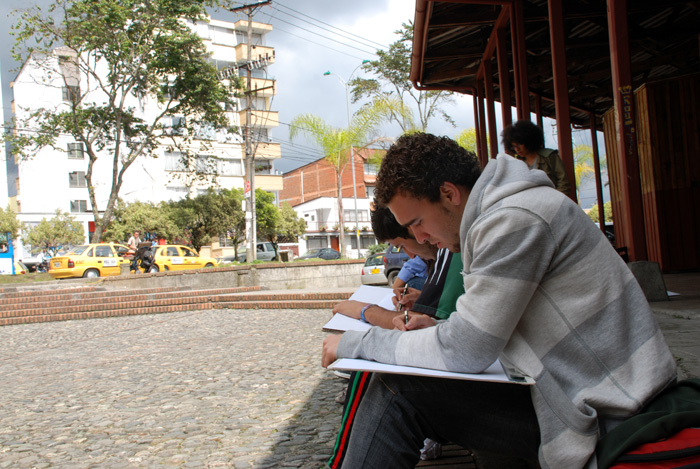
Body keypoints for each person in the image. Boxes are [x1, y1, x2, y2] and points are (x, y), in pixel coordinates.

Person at [321, 133, 676, 468]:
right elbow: (482, 332)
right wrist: (441, 327)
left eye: (416, 223)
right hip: (573, 393)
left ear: (448, 193)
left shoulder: (515, 219)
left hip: (609, 414)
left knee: (396, 390)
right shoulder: (506, 212)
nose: (420, 237)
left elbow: (467, 350)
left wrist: (357, 342)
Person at [328, 204, 464, 468]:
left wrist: (365, 311)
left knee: (385, 383)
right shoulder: (442, 253)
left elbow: (413, 328)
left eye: (417, 226)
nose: (421, 239)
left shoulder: (451, 250)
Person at [501, 119, 571, 195]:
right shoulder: (517, 163)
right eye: (514, 146)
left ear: (528, 141)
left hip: (552, 201)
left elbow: (564, 182)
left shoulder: (549, 156)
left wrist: (556, 201)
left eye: (520, 144)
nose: (517, 149)